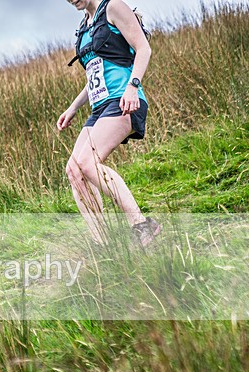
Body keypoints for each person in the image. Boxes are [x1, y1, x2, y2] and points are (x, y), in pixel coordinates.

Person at [57, 0, 160, 247]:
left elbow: (143, 49)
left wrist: (132, 87)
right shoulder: (84, 26)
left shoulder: (113, 7)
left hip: (124, 99)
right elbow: (96, 73)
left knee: (87, 163)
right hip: (99, 107)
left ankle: (142, 225)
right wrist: (72, 108)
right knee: (74, 170)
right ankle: (103, 242)